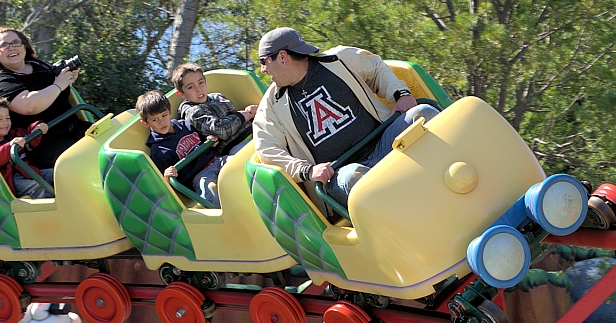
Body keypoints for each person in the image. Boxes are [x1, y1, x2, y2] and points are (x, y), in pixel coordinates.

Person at [252, 27, 438, 207]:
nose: (263, 70)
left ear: (282, 57)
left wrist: (400, 94)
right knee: (354, 177)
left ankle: (451, 177)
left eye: (264, 61)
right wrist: (307, 170)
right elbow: (267, 149)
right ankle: (416, 212)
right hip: (341, 173)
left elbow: (376, 69)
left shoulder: (339, 59)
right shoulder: (271, 105)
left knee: (423, 113)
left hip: (384, 144)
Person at [0, 26, 85, 169]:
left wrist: (68, 78)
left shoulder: (39, 66)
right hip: (44, 144)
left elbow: (58, 91)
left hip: (74, 126)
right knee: (84, 157)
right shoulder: (1, 81)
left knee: (110, 143)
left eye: (16, 43)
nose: (11, 48)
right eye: (4, 45)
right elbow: (29, 105)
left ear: (24, 47)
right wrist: (59, 84)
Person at [172, 62, 257, 197]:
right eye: (190, 87)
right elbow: (220, 130)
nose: (199, 89)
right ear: (181, 93)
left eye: (201, 83)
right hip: (234, 147)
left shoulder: (217, 97)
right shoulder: (191, 112)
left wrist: (251, 112)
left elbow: (235, 116)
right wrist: (242, 115)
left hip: (254, 132)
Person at [138, 90, 220, 206]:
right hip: (198, 175)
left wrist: (210, 140)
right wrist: (167, 176)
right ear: (146, 123)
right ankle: (223, 220)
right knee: (210, 189)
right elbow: (165, 182)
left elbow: (203, 139)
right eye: (154, 119)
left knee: (236, 163)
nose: (161, 122)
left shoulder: (184, 125)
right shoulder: (159, 151)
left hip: (215, 160)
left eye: (164, 115)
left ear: (170, 111)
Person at [0, 98, 54, 199]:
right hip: (10, 181)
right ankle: (49, 210)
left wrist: (36, 127)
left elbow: (27, 138)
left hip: (27, 172)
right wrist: (9, 146)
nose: (5, 122)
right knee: (36, 186)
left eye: (7, 118)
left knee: (56, 173)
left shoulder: (12, 134)